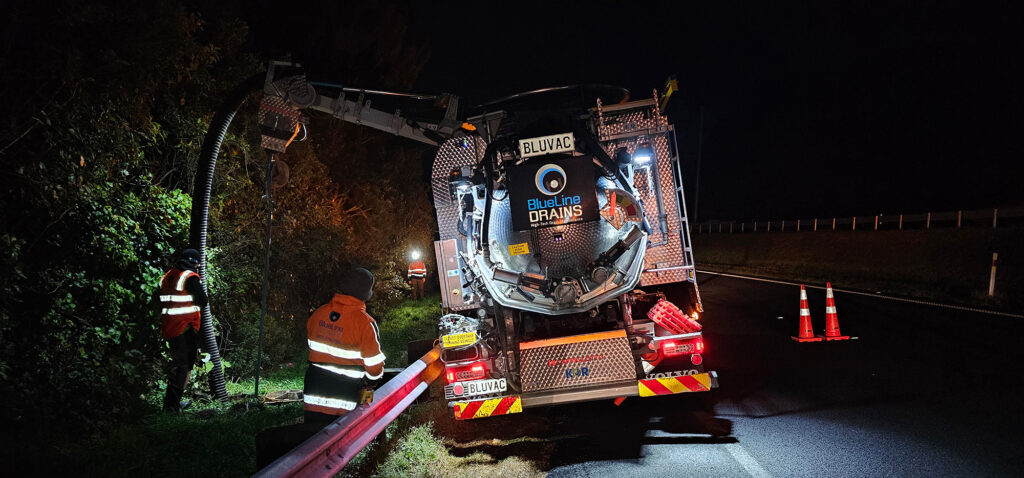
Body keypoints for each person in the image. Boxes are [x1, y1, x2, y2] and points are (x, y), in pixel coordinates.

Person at [303, 268, 385, 425]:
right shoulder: (365, 323)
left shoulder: (318, 314)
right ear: (366, 293)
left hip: (313, 394)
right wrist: (371, 383)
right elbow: (374, 369)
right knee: (340, 446)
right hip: (345, 398)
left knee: (313, 442)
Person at [158, 248, 208, 412]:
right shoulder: (189, 277)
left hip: (169, 328)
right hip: (184, 328)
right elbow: (203, 300)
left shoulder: (167, 276)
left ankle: (172, 404)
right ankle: (172, 407)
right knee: (183, 366)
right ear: (195, 262)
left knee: (179, 365)